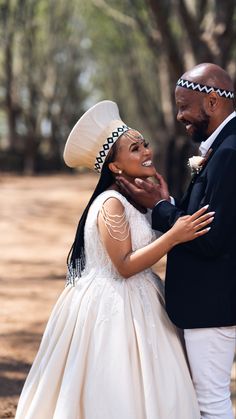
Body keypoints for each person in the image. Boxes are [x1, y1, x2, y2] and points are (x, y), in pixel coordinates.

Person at [15, 100, 213, 419]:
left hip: (142, 295)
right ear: (115, 167)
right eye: (135, 149)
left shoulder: (133, 201)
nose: (146, 152)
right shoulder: (111, 205)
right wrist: (174, 235)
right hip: (116, 303)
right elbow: (123, 265)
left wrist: (163, 202)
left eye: (144, 144)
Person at [118, 63, 236, 419]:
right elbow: (203, 216)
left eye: (185, 106)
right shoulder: (222, 148)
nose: (180, 116)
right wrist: (171, 205)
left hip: (212, 303)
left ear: (212, 101)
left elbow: (210, 238)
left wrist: (159, 209)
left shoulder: (229, 152)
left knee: (210, 402)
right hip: (209, 303)